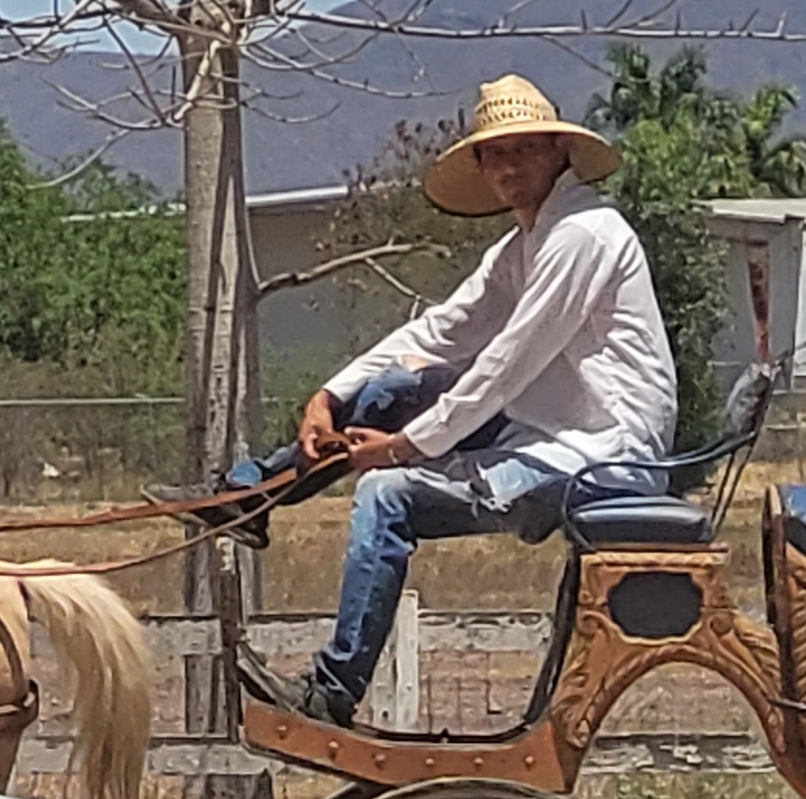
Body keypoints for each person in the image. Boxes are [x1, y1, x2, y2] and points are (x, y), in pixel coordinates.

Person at [213, 73, 678, 727]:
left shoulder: (585, 235)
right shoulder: (524, 247)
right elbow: (438, 332)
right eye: (495, 154)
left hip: (598, 459)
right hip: (541, 436)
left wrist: (402, 450)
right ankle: (257, 493)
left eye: (523, 149)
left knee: (388, 493)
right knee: (394, 387)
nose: (509, 166)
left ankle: (332, 693)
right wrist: (331, 394)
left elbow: (507, 363)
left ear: (557, 152)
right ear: (483, 167)